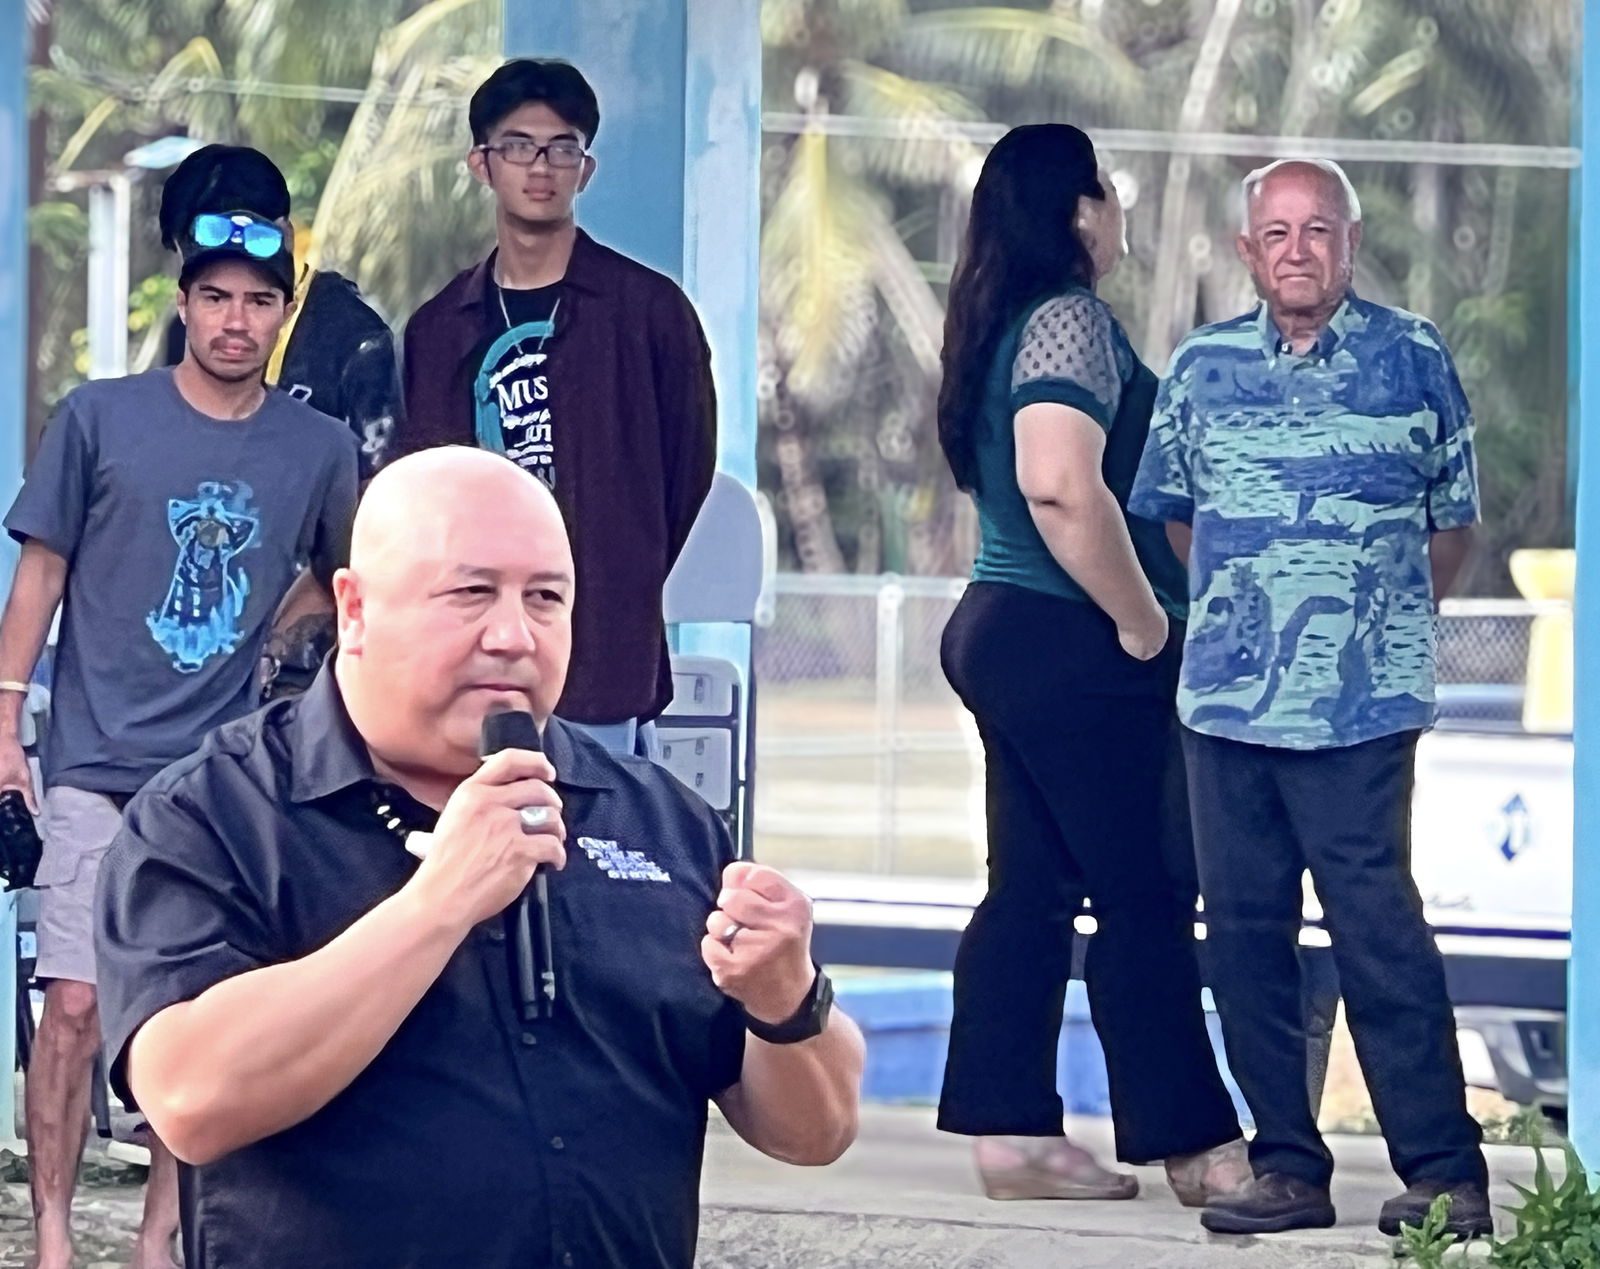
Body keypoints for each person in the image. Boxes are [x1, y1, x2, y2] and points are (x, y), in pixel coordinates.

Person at [93, 449, 863, 1269]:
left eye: (546, 598)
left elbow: (815, 1133)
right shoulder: (213, 815)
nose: (512, 636)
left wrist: (787, 1001)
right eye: (470, 593)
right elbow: (191, 1097)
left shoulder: (660, 821)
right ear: (354, 609)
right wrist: (439, 903)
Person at [1131, 158, 1489, 1238]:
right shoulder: (1200, 367)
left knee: (1380, 933)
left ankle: (1444, 1173)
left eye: (1318, 230)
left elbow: (1452, 526)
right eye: (1277, 233)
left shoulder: (1413, 356)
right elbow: (1177, 520)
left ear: (1350, 243)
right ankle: (1286, 1164)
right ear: (1248, 252)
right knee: (1244, 938)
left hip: (1361, 711)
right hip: (1228, 710)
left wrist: (1372, 620)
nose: (1298, 250)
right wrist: (1253, 609)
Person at [1, 187, 358, 1268]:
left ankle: (162, 1240)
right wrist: (4, 725)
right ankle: (53, 1239)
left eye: (258, 301)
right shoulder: (98, 418)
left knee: (189, 1016)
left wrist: (280, 637)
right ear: (185, 302)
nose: (235, 321)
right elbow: (40, 575)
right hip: (92, 763)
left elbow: (347, 577)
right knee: (72, 1006)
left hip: (219, 784)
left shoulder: (320, 446)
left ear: (281, 312)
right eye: (215, 298)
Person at [933, 124, 1248, 1206]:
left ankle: (1012, 1132)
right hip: (1069, 638)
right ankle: (1198, 1146)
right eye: (1107, 192)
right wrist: (1144, 622)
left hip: (1004, 629)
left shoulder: (996, 319)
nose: (1118, 212)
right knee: (1143, 891)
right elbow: (1060, 484)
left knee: (1028, 887)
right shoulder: (1068, 318)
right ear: (1077, 212)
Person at [393, 58, 717, 755]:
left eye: (561, 149)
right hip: (469, 650)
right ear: (481, 164)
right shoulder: (439, 327)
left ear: (585, 170)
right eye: (518, 146)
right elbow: (426, 487)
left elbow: (684, 474)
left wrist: (620, 566)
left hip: (600, 646)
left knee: (598, 815)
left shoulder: (649, 311)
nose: (540, 167)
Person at [157, 143, 403, 699]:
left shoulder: (354, 338)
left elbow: (372, 521)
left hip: (301, 671)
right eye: (194, 254)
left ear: (284, 235)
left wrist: (277, 645)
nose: (229, 310)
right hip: (196, 651)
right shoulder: (191, 329)